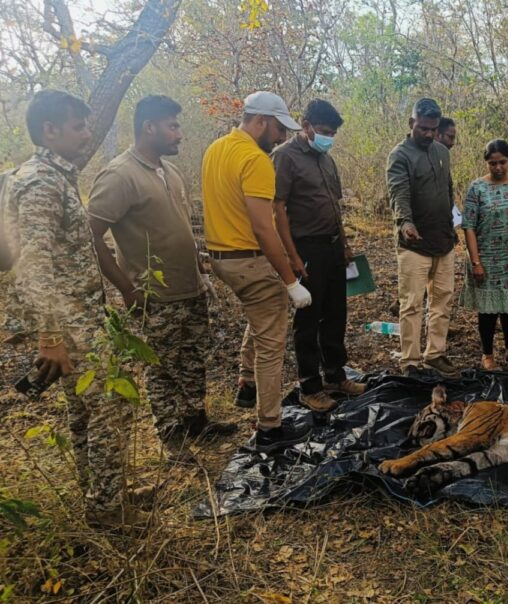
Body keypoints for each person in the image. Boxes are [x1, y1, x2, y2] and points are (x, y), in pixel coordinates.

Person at [3, 90, 144, 529]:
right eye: (78, 126)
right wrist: (50, 337)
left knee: (87, 413)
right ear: (50, 130)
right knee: (109, 410)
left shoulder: (56, 175)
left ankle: (103, 492)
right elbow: (33, 262)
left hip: (83, 319)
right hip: (70, 326)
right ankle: (107, 509)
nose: (86, 134)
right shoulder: (40, 182)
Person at [88, 95, 237, 461]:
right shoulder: (120, 174)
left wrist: (200, 263)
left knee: (192, 358)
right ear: (149, 127)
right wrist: (126, 287)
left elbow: (179, 226)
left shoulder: (169, 171)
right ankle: (173, 440)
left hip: (190, 288)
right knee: (162, 368)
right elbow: (90, 237)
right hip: (154, 296)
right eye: (173, 126)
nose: (179, 134)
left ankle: (195, 421)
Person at [201, 91, 313, 453]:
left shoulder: (216, 149)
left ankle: (246, 382)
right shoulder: (256, 159)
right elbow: (264, 228)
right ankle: (270, 427)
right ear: (260, 121)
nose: (281, 137)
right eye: (279, 129)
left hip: (221, 258)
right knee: (272, 341)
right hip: (248, 258)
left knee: (263, 316)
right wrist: (291, 281)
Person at [269, 99, 366, 411]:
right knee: (308, 319)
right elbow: (278, 208)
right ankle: (310, 386)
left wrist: (346, 245)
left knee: (336, 313)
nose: (329, 137)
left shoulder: (326, 159)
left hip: (333, 246)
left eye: (333, 133)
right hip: (305, 247)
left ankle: (336, 375)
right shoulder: (285, 157)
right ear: (306, 125)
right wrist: (292, 256)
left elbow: (334, 205)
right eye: (324, 131)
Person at [387, 98, 459, 378]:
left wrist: (452, 224)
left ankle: (435, 354)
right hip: (414, 243)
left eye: (433, 129)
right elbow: (398, 193)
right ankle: (411, 361)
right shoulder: (400, 155)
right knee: (412, 303)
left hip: (443, 239)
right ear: (411, 124)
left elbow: (448, 189)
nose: (429, 134)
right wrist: (405, 221)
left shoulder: (442, 151)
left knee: (442, 299)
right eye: (423, 129)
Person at [460, 139, 508, 370]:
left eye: (502, 162)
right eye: (492, 163)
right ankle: (487, 354)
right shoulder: (477, 188)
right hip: (486, 256)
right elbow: (469, 226)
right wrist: (476, 261)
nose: (498, 168)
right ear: (486, 163)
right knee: (488, 309)